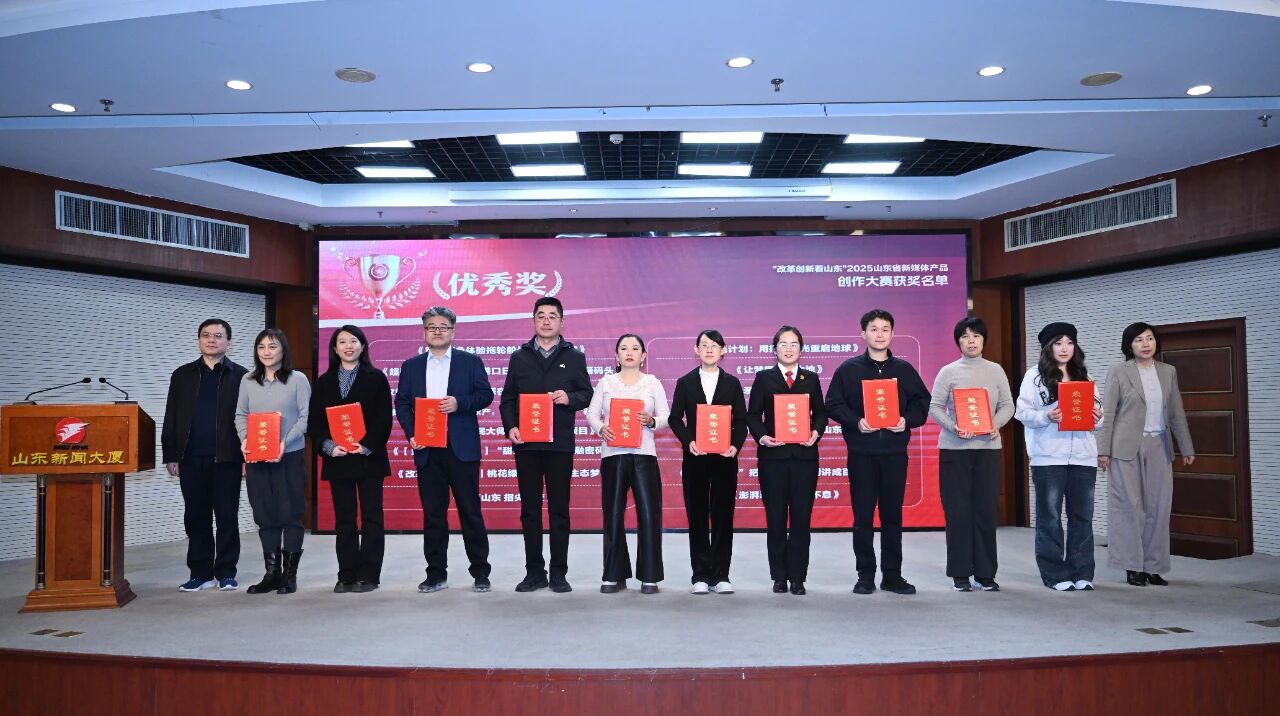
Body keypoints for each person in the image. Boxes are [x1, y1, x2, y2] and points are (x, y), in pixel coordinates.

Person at [825, 309, 930, 596]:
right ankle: (865, 575)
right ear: (863, 333)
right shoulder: (848, 370)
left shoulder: (904, 370)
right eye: (874, 329)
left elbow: (923, 403)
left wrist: (906, 420)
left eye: (885, 329)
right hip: (862, 454)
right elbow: (833, 404)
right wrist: (856, 421)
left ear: (892, 334)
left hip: (894, 453)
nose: (879, 334)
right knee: (862, 516)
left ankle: (892, 576)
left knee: (892, 516)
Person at [395, 307, 495, 594]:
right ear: (424, 331)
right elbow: (402, 403)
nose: (437, 331)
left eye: (443, 326)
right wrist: (412, 433)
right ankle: (436, 574)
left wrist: (459, 403)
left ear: (453, 330)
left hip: (461, 448)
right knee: (433, 514)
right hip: (427, 448)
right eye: (431, 327)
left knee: (470, 511)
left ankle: (480, 572)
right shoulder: (411, 366)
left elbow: (485, 395)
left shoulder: (470, 362)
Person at [499, 296, 593, 593]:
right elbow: (507, 399)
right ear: (533, 321)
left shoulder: (574, 357)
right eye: (541, 316)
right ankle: (534, 572)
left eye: (552, 316)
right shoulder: (520, 357)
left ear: (562, 322)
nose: (546, 321)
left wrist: (569, 398)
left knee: (559, 511)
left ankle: (558, 573)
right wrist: (511, 426)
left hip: (559, 445)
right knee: (529, 510)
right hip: (527, 445)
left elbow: (587, 394)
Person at [1098, 322, 1196, 587]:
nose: (1145, 344)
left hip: (1159, 445)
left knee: (1159, 507)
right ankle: (1132, 566)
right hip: (1125, 447)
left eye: (1149, 338)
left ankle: (1154, 566)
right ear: (1129, 345)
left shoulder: (1168, 371)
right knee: (1129, 507)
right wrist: (1103, 451)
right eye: (1139, 339)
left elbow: (1176, 412)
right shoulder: (1119, 371)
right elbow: (1109, 413)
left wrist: (1186, 447)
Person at [1014, 322, 1104, 592]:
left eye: (1069, 342)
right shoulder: (1034, 376)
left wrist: (1097, 417)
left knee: (1082, 517)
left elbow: (1099, 417)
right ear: (1048, 347)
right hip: (1048, 457)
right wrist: (1046, 416)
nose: (1064, 348)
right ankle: (1054, 573)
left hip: (1083, 458)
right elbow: (1022, 412)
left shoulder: (1084, 376)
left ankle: (1082, 572)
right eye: (1058, 343)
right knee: (1050, 517)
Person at [161, 318, 249, 592]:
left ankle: (226, 572)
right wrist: (170, 454)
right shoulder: (182, 375)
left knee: (227, 517)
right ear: (199, 340)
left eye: (218, 336)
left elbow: (249, 419)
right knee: (196, 517)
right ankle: (200, 573)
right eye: (206, 335)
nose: (212, 340)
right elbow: (171, 416)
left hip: (228, 458)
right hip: (191, 458)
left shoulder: (242, 376)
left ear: (228, 342)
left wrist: (247, 457)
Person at [928, 316, 1015, 592]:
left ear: (983, 340)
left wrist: (995, 424)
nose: (971, 341)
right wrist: (953, 427)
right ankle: (960, 574)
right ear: (958, 342)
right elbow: (935, 407)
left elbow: (1008, 405)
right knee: (958, 512)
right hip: (954, 451)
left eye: (976, 336)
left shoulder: (995, 370)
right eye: (965, 336)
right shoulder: (948, 372)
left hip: (987, 450)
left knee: (985, 511)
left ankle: (986, 574)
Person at [308, 325, 391, 594]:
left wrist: (366, 445)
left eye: (353, 341)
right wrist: (328, 446)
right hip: (338, 458)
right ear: (334, 348)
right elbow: (315, 421)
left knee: (371, 518)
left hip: (368, 458)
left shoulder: (376, 378)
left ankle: (369, 575)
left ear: (363, 346)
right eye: (342, 342)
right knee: (344, 519)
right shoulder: (324, 381)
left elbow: (383, 419)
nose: (348, 346)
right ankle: (346, 574)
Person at [745, 325, 827, 596]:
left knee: (801, 518)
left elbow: (821, 414)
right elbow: (753, 415)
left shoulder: (810, 378)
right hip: (773, 458)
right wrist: (762, 437)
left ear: (801, 349)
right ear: (774, 349)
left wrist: (815, 432)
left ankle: (798, 577)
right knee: (776, 518)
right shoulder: (763, 378)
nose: (789, 349)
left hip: (804, 458)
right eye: (783, 344)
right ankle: (779, 576)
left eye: (794, 344)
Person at [585, 334, 670, 594]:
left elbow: (666, 415)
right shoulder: (606, 383)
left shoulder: (652, 383)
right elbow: (591, 413)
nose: (629, 352)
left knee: (648, 514)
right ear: (616, 356)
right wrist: (601, 428)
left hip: (644, 455)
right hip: (613, 455)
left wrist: (651, 421)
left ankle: (649, 576)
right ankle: (614, 574)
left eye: (635, 348)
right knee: (612, 513)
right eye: (624, 348)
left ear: (643, 356)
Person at [668, 329, 748, 595]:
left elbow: (741, 420)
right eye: (704, 345)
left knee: (723, 516)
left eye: (715, 345)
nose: (710, 349)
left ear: (723, 351)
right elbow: (675, 418)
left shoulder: (732, 383)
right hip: (696, 458)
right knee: (698, 515)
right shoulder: (685, 382)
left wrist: (735, 445)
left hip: (725, 458)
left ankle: (721, 575)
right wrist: (688, 441)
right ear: (696, 350)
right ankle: (700, 575)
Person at [235, 328, 311, 595]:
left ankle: (289, 576)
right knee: (265, 516)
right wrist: (245, 439)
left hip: (288, 457)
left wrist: (283, 443)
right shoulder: (248, 380)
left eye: (272, 346)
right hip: (257, 458)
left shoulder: (297, 379)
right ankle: (271, 574)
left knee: (290, 515)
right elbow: (240, 414)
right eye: (261, 347)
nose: (266, 352)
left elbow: (305, 418)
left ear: (283, 350)